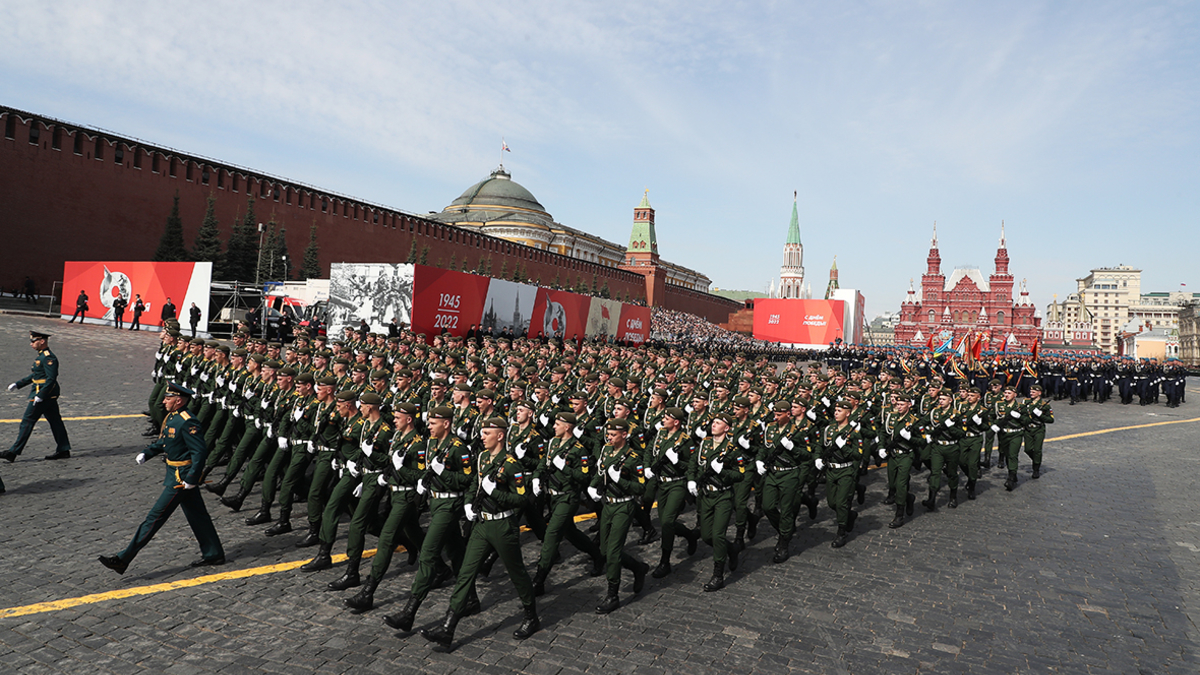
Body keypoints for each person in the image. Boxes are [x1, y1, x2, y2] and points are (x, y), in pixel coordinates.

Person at [420, 417, 540, 651]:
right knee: (465, 573)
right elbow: (474, 485)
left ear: (501, 436)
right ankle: (448, 627)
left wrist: (496, 494)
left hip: (503, 526)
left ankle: (531, 616)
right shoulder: (483, 458)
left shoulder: (512, 464)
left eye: (486, 433)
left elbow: (522, 499)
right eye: (482, 432)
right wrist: (468, 504)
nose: (482, 437)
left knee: (517, 573)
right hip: (482, 525)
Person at [99, 382, 225, 574]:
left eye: (168, 398)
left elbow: (199, 452)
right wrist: (148, 453)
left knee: (154, 518)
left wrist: (192, 478)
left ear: (179, 400)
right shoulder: (173, 417)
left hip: (180, 479)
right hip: (174, 474)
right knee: (198, 516)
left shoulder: (187, 421)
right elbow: (165, 441)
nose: (164, 401)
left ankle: (123, 559)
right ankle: (213, 553)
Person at [3, 330, 72, 462]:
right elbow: (36, 375)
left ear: (42, 341)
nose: (31, 344)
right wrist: (18, 384)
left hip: (43, 395)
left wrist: (40, 395)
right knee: (55, 422)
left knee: (27, 421)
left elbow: (51, 378)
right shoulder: (41, 356)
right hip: (47, 395)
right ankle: (63, 449)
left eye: (33, 341)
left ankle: (13, 452)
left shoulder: (48, 358)